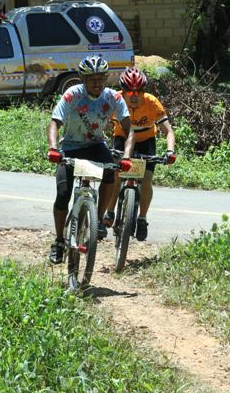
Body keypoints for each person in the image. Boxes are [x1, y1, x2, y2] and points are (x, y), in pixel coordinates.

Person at [46, 56, 134, 264]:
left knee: (111, 173)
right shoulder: (72, 94)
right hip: (70, 147)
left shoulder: (113, 97)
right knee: (63, 194)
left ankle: (99, 220)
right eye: (92, 79)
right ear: (82, 79)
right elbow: (55, 123)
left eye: (101, 78)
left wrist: (127, 156)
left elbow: (130, 130)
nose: (97, 83)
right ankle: (59, 241)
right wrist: (53, 148)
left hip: (95, 145)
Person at [103, 67, 176, 242]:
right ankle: (110, 211)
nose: (134, 95)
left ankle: (142, 219)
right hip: (122, 138)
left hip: (146, 141)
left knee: (146, 180)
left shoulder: (152, 103)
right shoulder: (115, 100)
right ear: (123, 91)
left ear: (144, 91)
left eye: (139, 91)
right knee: (116, 175)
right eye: (129, 91)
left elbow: (168, 131)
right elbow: (101, 122)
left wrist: (170, 151)